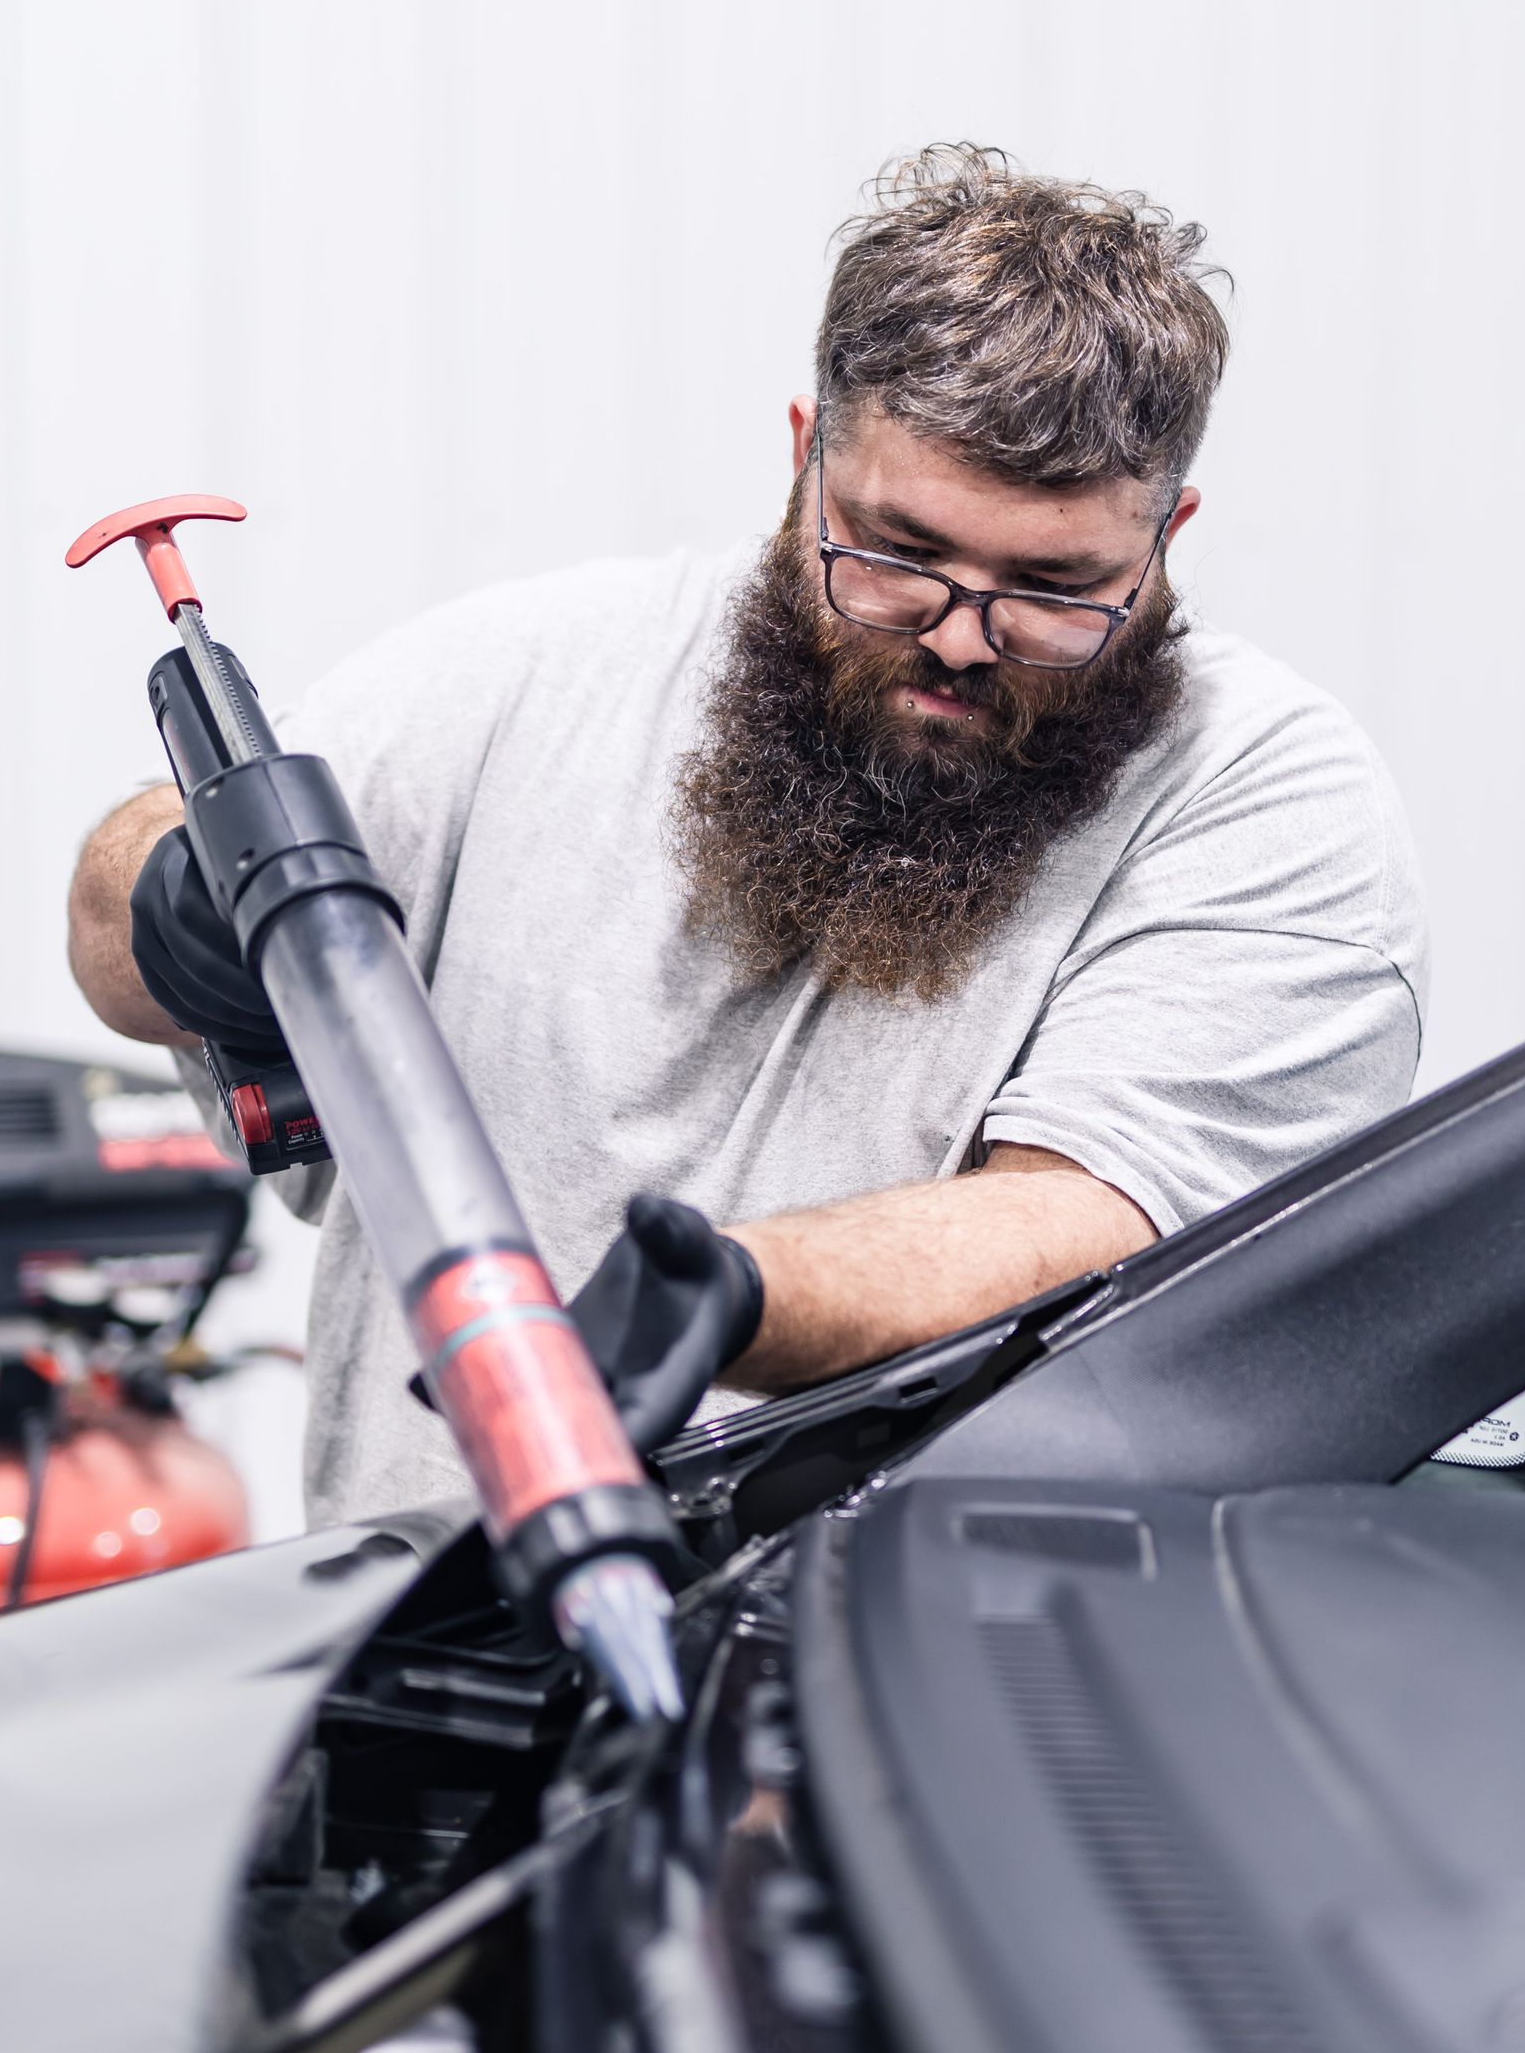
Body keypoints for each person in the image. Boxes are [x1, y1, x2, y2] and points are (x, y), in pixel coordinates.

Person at [69, 146, 1428, 1528]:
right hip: (420, 1663)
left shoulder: (1262, 794)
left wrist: (720, 1297)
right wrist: (175, 905)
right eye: (895, 553)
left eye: (1054, 587)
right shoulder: (531, 676)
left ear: (1166, 533)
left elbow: (1090, 1236)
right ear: (804, 458)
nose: (961, 637)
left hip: (931, 1684)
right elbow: (119, 901)